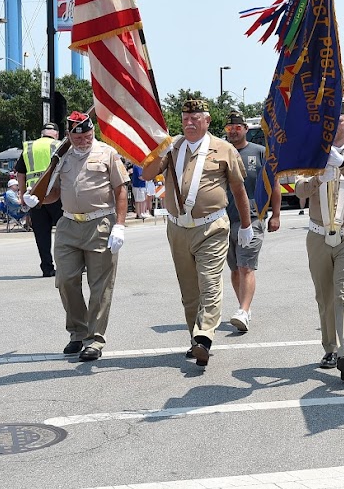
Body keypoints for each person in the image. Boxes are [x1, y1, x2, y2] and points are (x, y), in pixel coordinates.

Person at [148, 98, 248, 368]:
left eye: (195, 118)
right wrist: (158, 150)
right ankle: (196, 336)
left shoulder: (224, 149)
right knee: (190, 291)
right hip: (178, 228)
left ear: (207, 121)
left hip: (212, 227)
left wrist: (247, 226)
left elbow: (239, 190)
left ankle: (204, 336)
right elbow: (147, 174)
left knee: (210, 281)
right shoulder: (172, 148)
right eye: (185, 119)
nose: (189, 123)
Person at [293, 106, 344, 382]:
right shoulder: (312, 153)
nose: (334, 123)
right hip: (318, 234)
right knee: (325, 295)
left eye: (339, 118)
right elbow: (299, 189)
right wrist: (318, 177)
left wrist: (342, 164)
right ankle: (329, 347)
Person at [52, 111, 128, 362]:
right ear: (69, 135)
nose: (84, 141)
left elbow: (120, 189)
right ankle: (78, 331)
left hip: (100, 223)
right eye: (79, 137)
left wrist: (120, 224)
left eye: (88, 135)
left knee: (100, 286)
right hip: (68, 224)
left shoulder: (107, 153)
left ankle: (94, 339)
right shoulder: (61, 157)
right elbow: (53, 192)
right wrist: (35, 198)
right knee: (65, 279)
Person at [223, 109, 281, 333]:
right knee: (235, 269)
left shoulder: (259, 152)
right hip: (226, 219)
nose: (234, 131)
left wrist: (275, 214)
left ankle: (244, 311)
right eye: (230, 128)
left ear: (245, 129)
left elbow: (273, 184)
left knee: (246, 266)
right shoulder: (222, 152)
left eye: (238, 127)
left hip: (253, 218)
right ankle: (243, 307)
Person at [17, 122, 63, 277]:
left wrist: (23, 195)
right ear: (56, 134)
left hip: (35, 197)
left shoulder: (29, 148)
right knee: (65, 232)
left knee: (42, 235)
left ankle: (47, 268)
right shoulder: (59, 145)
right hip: (57, 195)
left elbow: (20, 174)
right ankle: (67, 265)